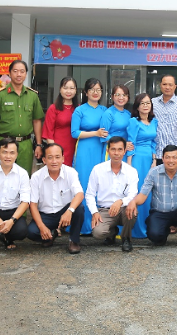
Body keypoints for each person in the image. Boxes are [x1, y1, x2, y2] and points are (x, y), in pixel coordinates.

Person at [126, 145, 177, 249]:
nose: (171, 161)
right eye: (167, 157)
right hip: (160, 212)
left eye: (174, 157)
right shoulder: (154, 172)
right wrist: (133, 202)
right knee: (155, 236)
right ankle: (163, 232)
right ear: (163, 158)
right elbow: (143, 195)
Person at [0, 60, 44, 175]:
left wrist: (38, 144)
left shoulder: (32, 95)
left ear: (26, 74)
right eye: (15, 71)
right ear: (9, 73)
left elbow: (37, 121)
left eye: (22, 71)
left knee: (24, 177)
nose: (19, 74)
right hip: (4, 144)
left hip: (25, 145)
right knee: (2, 177)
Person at [27, 143, 85, 254]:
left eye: (57, 157)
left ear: (63, 159)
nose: (54, 161)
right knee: (31, 232)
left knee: (79, 208)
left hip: (65, 212)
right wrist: (42, 227)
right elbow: (33, 204)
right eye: (50, 157)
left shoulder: (71, 172)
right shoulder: (36, 177)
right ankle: (51, 234)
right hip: (46, 214)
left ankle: (74, 241)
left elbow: (80, 194)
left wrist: (69, 211)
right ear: (44, 160)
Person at [86, 137, 139, 252]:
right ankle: (112, 232)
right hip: (105, 210)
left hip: (123, 208)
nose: (116, 153)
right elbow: (89, 194)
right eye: (113, 149)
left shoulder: (131, 171)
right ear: (108, 150)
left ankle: (126, 238)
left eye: (120, 149)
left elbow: (133, 193)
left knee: (132, 211)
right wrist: (95, 212)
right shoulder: (97, 169)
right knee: (98, 233)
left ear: (124, 151)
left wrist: (121, 201)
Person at [70, 78, 108, 235]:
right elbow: (74, 133)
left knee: (99, 184)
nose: (95, 93)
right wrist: (95, 133)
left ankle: (98, 223)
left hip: (100, 149)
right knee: (84, 183)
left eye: (98, 90)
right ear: (86, 92)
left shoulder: (105, 110)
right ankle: (82, 224)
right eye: (92, 89)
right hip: (84, 150)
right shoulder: (79, 110)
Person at [126, 93, 158, 238]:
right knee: (137, 190)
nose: (145, 106)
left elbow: (154, 143)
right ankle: (135, 228)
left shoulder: (154, 122)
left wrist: (154, 160)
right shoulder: (134, 122)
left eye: (148, 103)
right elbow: (131, 143)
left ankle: (146, 225)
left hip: (149, 160)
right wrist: (129, 165)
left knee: (148, 191)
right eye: (142, 103)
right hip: (137, 159)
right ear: (137, 107)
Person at [151, 74, 177, 166]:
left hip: (174, 155)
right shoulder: (152, 102)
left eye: (170, 85)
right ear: (160, 85)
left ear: (175, 86)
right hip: (155, 153)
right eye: (164, 84)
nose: (167, 87)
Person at [41, 77, 78, 167]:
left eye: (71, 88)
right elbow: (48, 133)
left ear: (76, 90)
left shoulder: (79, 109)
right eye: (65, 88)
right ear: (60, 89)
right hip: (58, 149)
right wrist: (55, 153)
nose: (68, 91)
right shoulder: (53, 108)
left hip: (75, 149)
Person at [101, 85, 135, 150]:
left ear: (128, 97)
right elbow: (104, 136)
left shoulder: (128, 114)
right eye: (117, 95)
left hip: (125, 150)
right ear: (112, 97)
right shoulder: (108, 113)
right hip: (112, 150)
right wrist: (122, 144)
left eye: (124, 95)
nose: (121, 98)